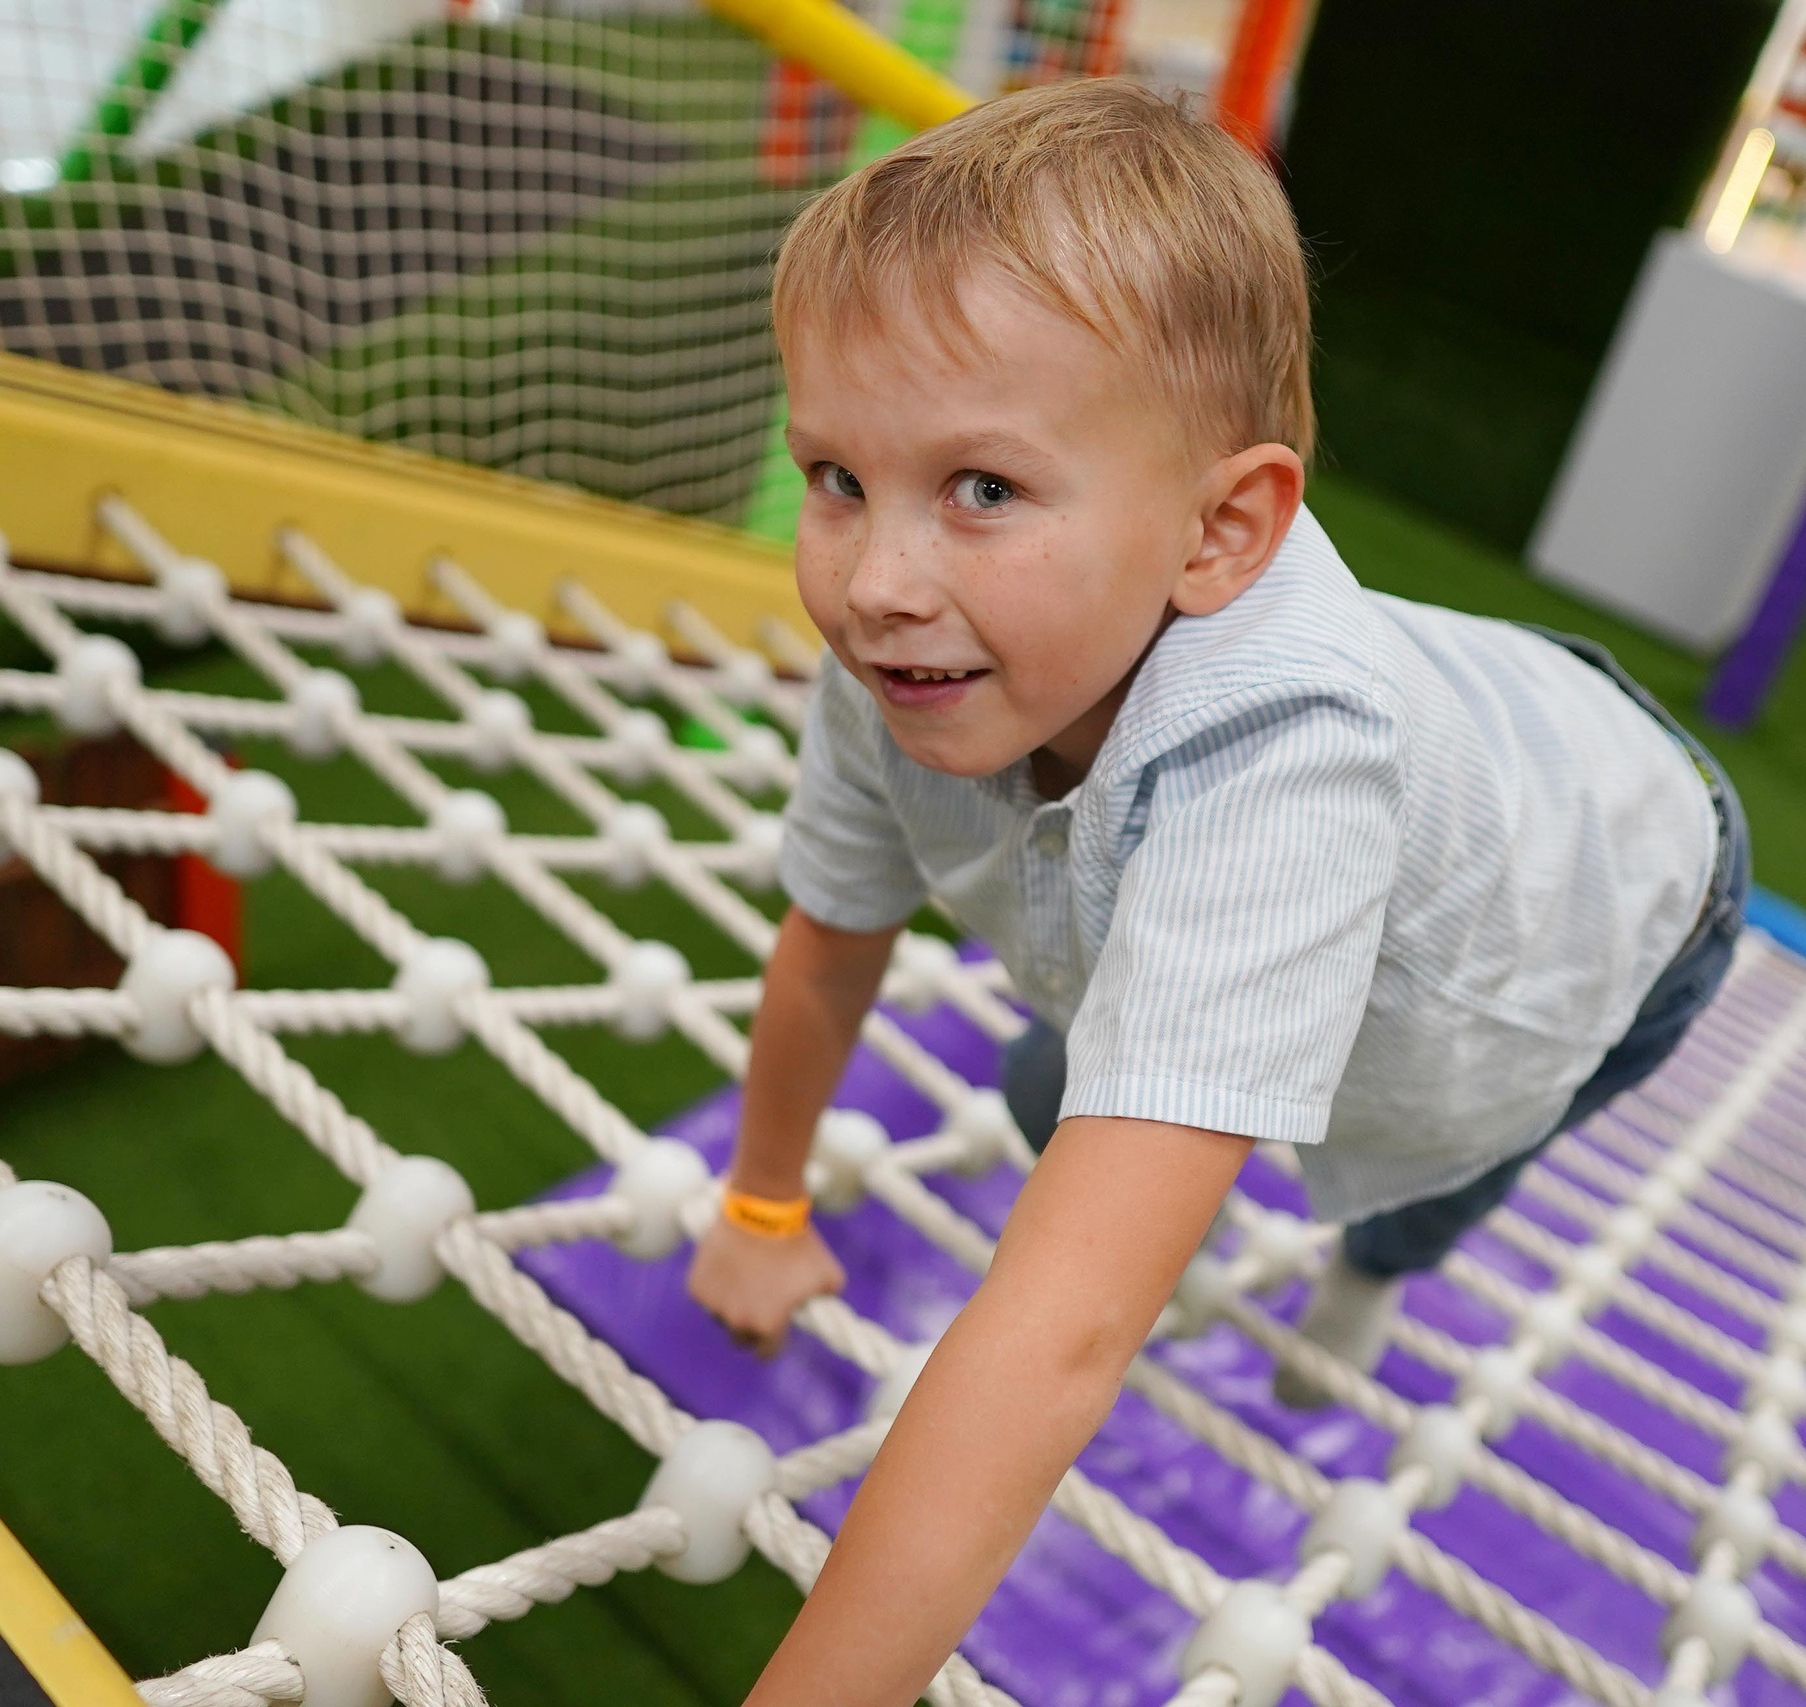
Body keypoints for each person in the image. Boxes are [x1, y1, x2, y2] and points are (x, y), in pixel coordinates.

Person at [686, 76, 1747, 1706]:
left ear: (1220, 530)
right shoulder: (906, 654)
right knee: (1064, 1081)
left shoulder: (1286, 771)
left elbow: (1057, 1343)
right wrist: (761, 1205)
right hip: (1479, 714)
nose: (875, 582)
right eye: (836, 476)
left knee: (1425, 1151)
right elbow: (832, 946)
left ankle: (1373, 1276)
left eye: (982, 489)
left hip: (1618, 886)